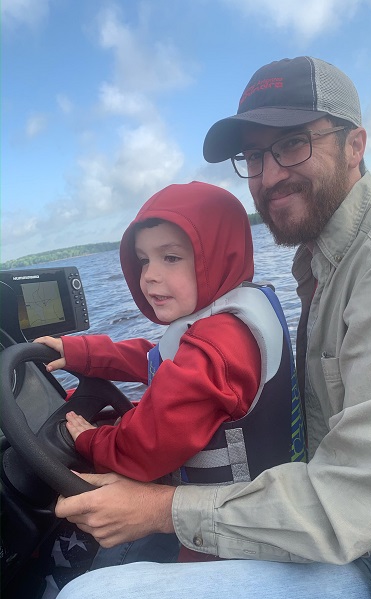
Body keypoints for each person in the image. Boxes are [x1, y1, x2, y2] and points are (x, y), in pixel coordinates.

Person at [38, 56, 371, 599]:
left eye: (292, 146)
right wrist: (82, 352)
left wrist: (160, 508)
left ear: (355, 144)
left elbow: (353, 499)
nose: (268, 174)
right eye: (254, 159)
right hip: (351, 544)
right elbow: (157, 354)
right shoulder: (323, 268)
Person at [36, 180, 305, 565]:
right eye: (144, 260)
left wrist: (91, 440)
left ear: (217, 255)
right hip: (248, 504)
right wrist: (83, 352)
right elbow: (162, 358)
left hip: (228, 545)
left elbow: (142, 448)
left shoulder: (219, 345)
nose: (150, 275)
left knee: (100, 587)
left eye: (171, 258)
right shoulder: (233, 315)